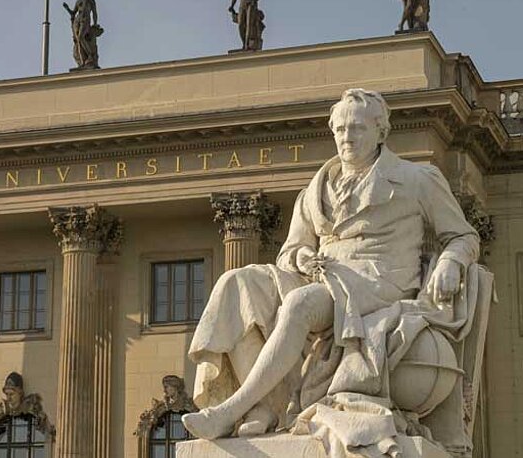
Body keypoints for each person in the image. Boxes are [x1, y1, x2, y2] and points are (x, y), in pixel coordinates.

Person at [183, 89, 477, 443]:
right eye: (339, 129)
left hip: (377, 284)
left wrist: (451, 261)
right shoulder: (314, 189)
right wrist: (300, 257)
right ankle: (265, 406)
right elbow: (290, 250)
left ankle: (230, 409)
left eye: (356, 128)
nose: (346, 137)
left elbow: (463, 236)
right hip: (322, 277)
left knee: (299, 304)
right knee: (236, 283)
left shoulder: (417, 179)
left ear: (381, 131)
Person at [63, 0, 103, 70]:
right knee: (78, 40)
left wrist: (95, 23)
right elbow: (73, 13)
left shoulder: (90, 0)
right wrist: (67, 8)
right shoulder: (79, 1)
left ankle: (90, 56)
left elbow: (94, 13)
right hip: (78, 20)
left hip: (85, 20)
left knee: (81, 38)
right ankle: (82, 62)